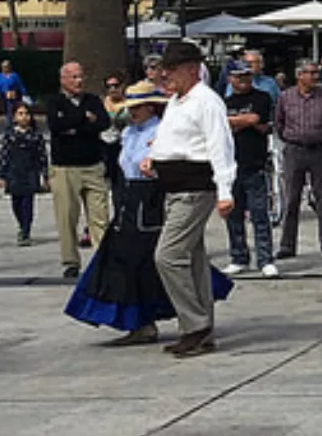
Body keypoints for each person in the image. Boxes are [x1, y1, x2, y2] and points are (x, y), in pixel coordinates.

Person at [66, 80, 231, 345]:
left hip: (152, 197)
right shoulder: (130, 132)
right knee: (123, 261)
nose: (132, 112)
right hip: (129, 196)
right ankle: (141, 322)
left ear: (151, 108)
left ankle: (191, 321)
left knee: (158, 259)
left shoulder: (160, 130)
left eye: (138, 107)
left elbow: (165, 160)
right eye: (130, 107)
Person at [143, 41, 237, 357]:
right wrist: (153, 159)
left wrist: (225, 192)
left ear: (192, 69)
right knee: (193, 259)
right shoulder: (176, 102)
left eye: (171, 70)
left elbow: (220, 147)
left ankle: (194, 324)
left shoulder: (206, 102)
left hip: (195, 189)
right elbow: (174, 140)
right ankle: (203, 328)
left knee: (167, 256)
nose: (165, 75)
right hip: (174, 187)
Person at [43, 61, 112, 280]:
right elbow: (57, 126)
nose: (78, 81)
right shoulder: (55, 102)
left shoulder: (92, 100)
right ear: (63, 79)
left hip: (92, 165)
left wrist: (77, 125)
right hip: (65, 168)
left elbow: (103, 122)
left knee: (100, 216)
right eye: (73, 77)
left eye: (80, 76)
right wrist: (84, 119)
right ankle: (70, 261)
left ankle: (103, 260)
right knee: (67, 217)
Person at [278, 58, 322, 262]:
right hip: (294, 150)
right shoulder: (286, 97)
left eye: (316, 72)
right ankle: (287, 245)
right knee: (291, 200)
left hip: (320, 151)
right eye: (310, 73)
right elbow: (280, 123)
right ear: (299, 75)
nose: (315, 77)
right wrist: (292, 139)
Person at [221, 61, 278, 278]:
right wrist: (240, 122)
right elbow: (220, 125)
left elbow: (255, 119)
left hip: (255, 164)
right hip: (231, 165)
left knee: (259, 214)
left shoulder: (261, 97)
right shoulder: (224, 102)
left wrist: (233, 121)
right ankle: (239, 257)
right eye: (238, 77)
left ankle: (265, 259)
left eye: (246, 76)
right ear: (230, 79)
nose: (243, 80)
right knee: (233, 215)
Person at [0, 103, 49, 246]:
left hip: (30, 173)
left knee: (28, 204)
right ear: (14, 117)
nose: (24, 117)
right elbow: (4, 155)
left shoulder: (36, 136)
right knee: (16, 203)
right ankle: (21, 224)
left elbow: (42, 157)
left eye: (26, 113)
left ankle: (26, 231)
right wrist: (2, 175)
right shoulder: (10, 135)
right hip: (14, 173)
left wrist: (45, 176)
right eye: (20, 113)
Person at [0, 60, 27, 126]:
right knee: (6, 108)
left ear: (9, 67)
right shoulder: (0, 75)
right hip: (3, 95)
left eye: (6, 67)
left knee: (10, 109)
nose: (5, 68)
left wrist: (24, 93)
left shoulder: (14, 75)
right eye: (3, 67)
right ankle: (12, 120)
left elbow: (20, 85)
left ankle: (9, 124)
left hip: (12, 94)